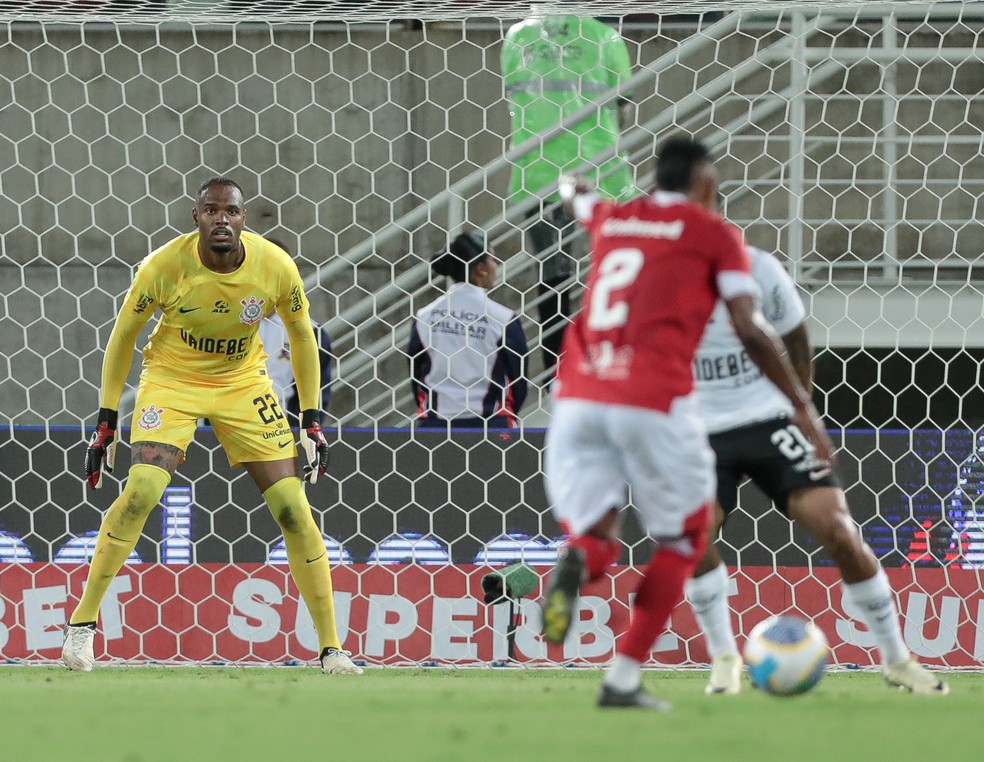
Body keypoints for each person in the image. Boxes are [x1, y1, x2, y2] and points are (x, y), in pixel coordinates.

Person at [539, 136, 833, 710]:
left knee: (596, 531)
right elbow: (751, 329)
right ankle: (622, 679)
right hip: (652, 399)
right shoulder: (714, 235)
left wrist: (570, 183)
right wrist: (801, 405)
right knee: (687, 538)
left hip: (576, 395)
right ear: (704, 182)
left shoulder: (615, 218)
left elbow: (577, 197)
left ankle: (581, 559)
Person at [64, 177, 362, 676]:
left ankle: (332, 649)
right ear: (195, 217)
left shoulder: (275, 266)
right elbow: (123, 337)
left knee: (293, 508)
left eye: (231, 211)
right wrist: (106, 421)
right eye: (211, 210)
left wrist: (312, 421)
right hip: (172, 380)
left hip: (243, 382)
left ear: (244, 220)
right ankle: (82, 626)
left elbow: (303, 339)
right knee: (140, 492)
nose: (221, 219)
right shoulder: (162, 267)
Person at [685, 242, 949, 696]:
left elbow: (797, 340)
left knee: (838, 530)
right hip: (697, 426)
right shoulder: (653, 275)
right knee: (693, 531)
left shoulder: (760, 267)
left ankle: (897, 659)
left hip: (768, 418)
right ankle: (724, 658)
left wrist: (801, 408)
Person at [501, 6, 635, 376]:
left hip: (538, 175)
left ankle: (556, 374)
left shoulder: (518, 37)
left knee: (553, 278)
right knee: (611, 272)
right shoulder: (604, 37)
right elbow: (622, 108)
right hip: (599, 174)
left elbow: (514, 101)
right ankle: (604, 365)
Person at [408, 231, 529, 429]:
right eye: (493, 259)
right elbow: (519, 380)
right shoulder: (503, 318)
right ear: (480, 268)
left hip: (435, 427)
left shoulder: (424, 316)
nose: (496, 266)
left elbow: (415, 374)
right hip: (491, 427)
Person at [257, 239, 333, 424]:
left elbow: (317, 392)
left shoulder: (310, 332)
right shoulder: (227, 324)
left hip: (285, 431)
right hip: (228, 430)